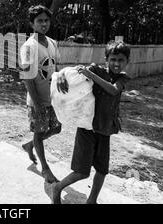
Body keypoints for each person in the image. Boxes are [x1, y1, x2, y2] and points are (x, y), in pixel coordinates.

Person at [53, 40, 130, 204]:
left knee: (102, 170)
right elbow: (75, 70)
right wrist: (61, 75)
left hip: (105, 129)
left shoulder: (122, 79)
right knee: (82, 172)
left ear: (127, 62)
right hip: (87, 128)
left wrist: (92, 76)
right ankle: (58, 187)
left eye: (121, 60)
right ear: (106, 59)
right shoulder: (96, 69)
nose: (116, 63)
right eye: (113, 59)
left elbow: (113, 90)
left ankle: (92, 200)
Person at [19, 5, 62, 183]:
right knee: (39, 133)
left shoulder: (52, 43)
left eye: (46, 20)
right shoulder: (29, 47)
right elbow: (27, 78)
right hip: (37, 99)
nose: (44, 24)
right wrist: (36, 102)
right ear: (32, 24)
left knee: (57, 128)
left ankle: (30, 146)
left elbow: (55, 68)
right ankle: (45, 169)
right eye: (39, 21)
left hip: (52, 97)